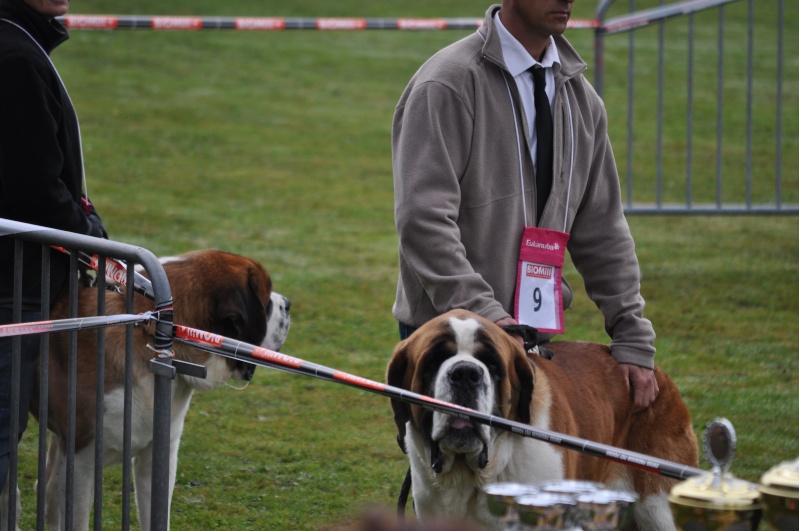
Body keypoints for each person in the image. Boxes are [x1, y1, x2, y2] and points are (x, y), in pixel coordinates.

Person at [392, 0, 659, 410]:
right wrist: (490, 320)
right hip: (451, 336)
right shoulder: (447, 84)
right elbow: (423, 221)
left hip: (531, 339)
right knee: (450, 473)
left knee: (523, 473)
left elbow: (603, 231)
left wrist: (632, 334)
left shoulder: (582, 102)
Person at [0, 0, 107, 511]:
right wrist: (90, 233)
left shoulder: (23, 45)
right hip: (12, 288)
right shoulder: (16, 56)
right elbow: (34, 188)